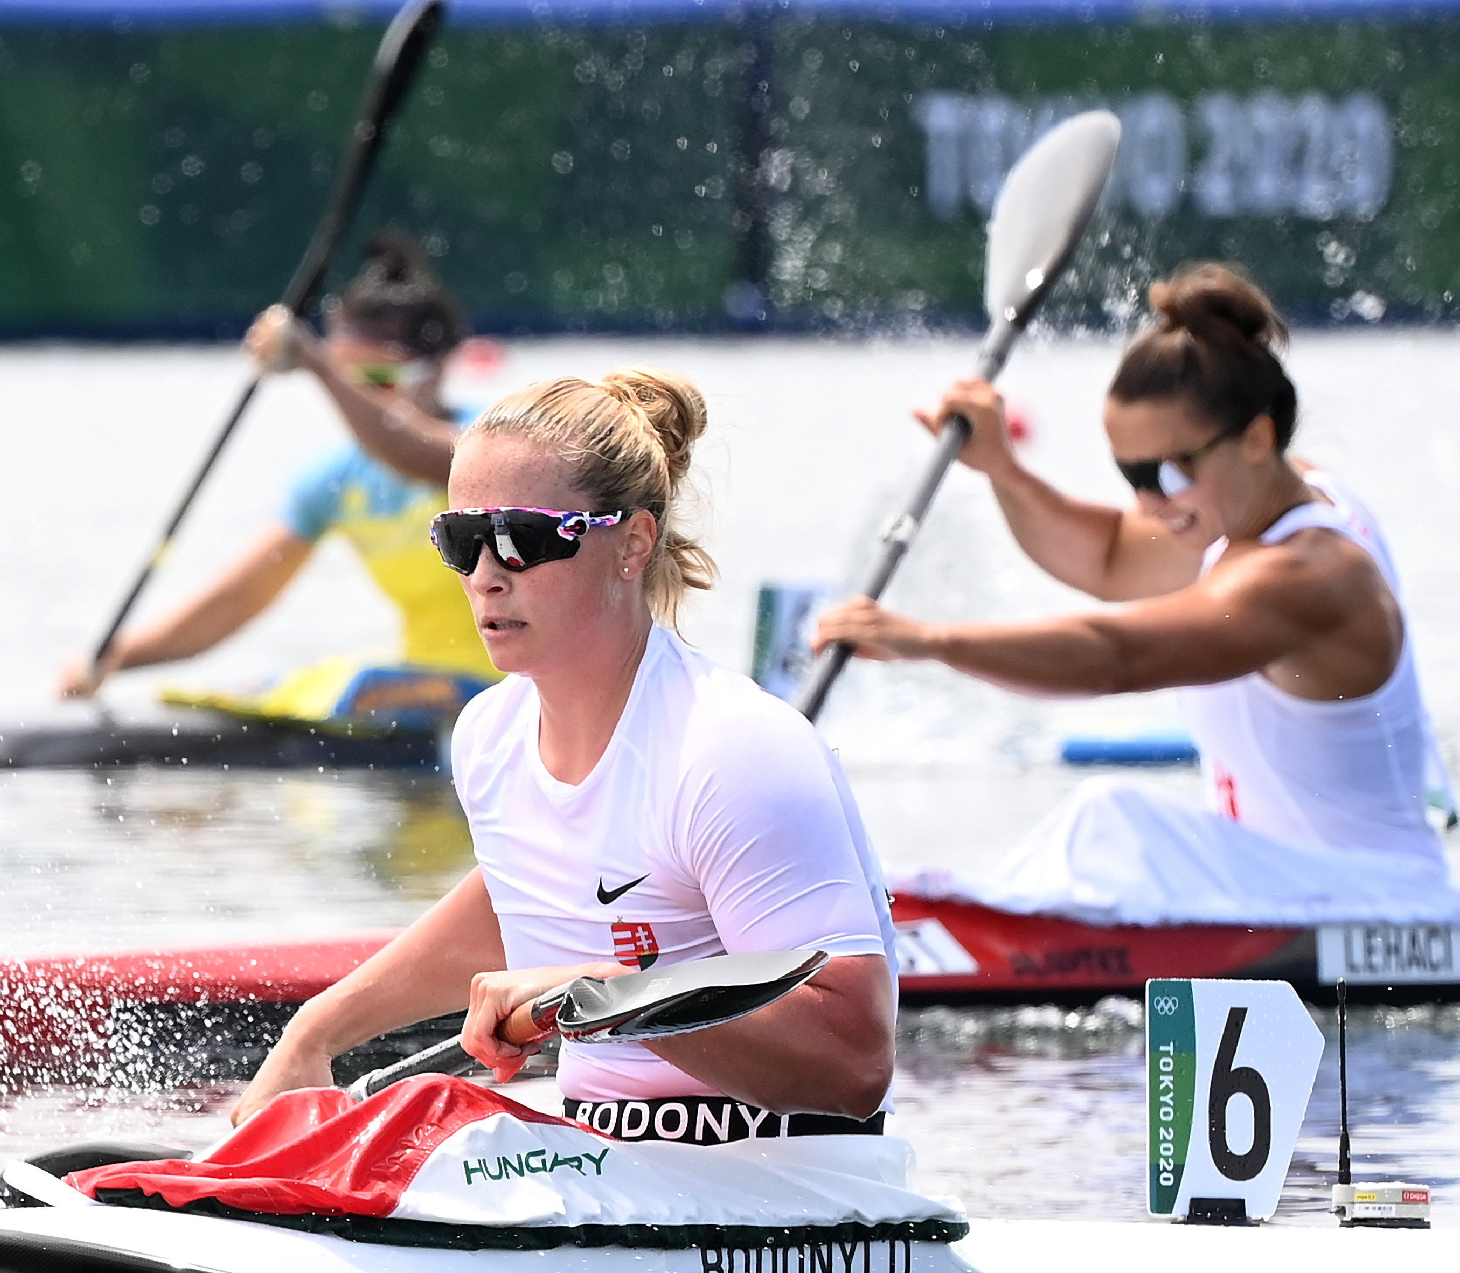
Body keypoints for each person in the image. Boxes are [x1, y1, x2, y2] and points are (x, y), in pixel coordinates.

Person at [233, 371, 897, 1137]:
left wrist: (598, 992)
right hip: (605, 1156)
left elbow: (854, 1064)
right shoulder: (489, 734)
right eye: (462, 540)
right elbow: (531, 894)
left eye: (522, 539)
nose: (484, 575)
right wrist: (317, 1031)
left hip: (787, 1190)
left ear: (632, 543)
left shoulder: (733, 750)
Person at [810, 263, 1457, 920]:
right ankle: (950, 922)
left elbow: (1118, 658)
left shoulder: (1309, 577)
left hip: (1374, 907)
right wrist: (1002, 467)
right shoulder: (1251, 501)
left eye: (1168, 471)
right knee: (1112, 822)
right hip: (1287, 883)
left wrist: (926, 639)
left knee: (1114, 818)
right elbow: (1106, 556)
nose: (1150, 505)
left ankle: (942, 934)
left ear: (1259, 438)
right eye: (1131, 473)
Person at [62, 235, 499, 698]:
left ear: (439, 368)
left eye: (376, 379)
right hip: (414, 696)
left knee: (351, 687)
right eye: (347, 377)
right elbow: (237, 599)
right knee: (263, 689)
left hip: (509, 690)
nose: (356, 400)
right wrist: (113, 659)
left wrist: (321, 367)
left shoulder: (490, 449)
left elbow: (418, 456)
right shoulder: (336, 479)